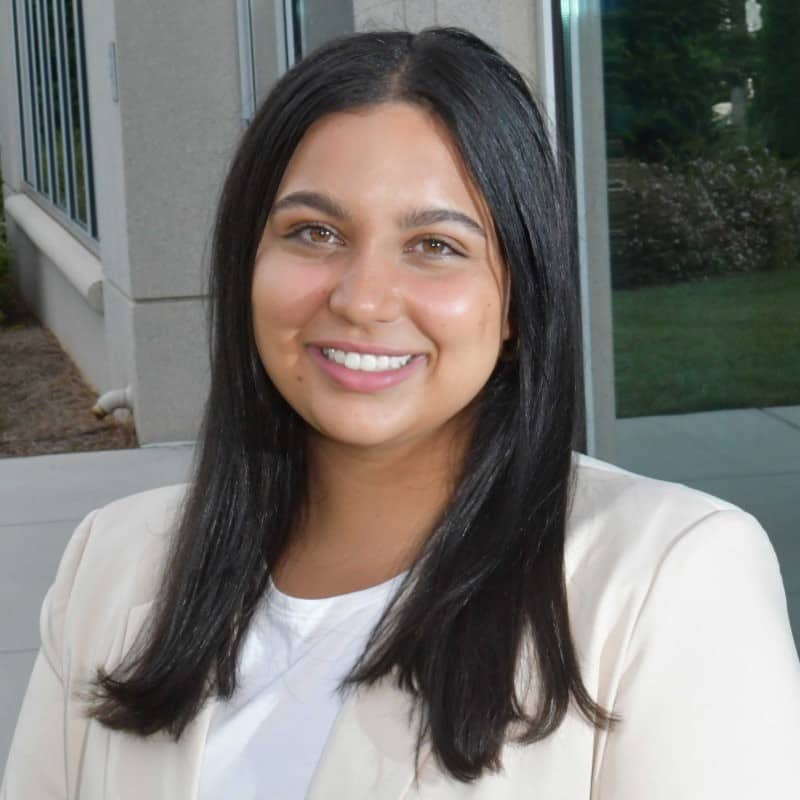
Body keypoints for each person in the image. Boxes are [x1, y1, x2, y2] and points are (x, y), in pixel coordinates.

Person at [2, 26, 799, 800]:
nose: (361, 298)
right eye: (314, 232)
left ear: (518, 296)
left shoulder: (671, 580)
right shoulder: (111, 564)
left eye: (435, 246)